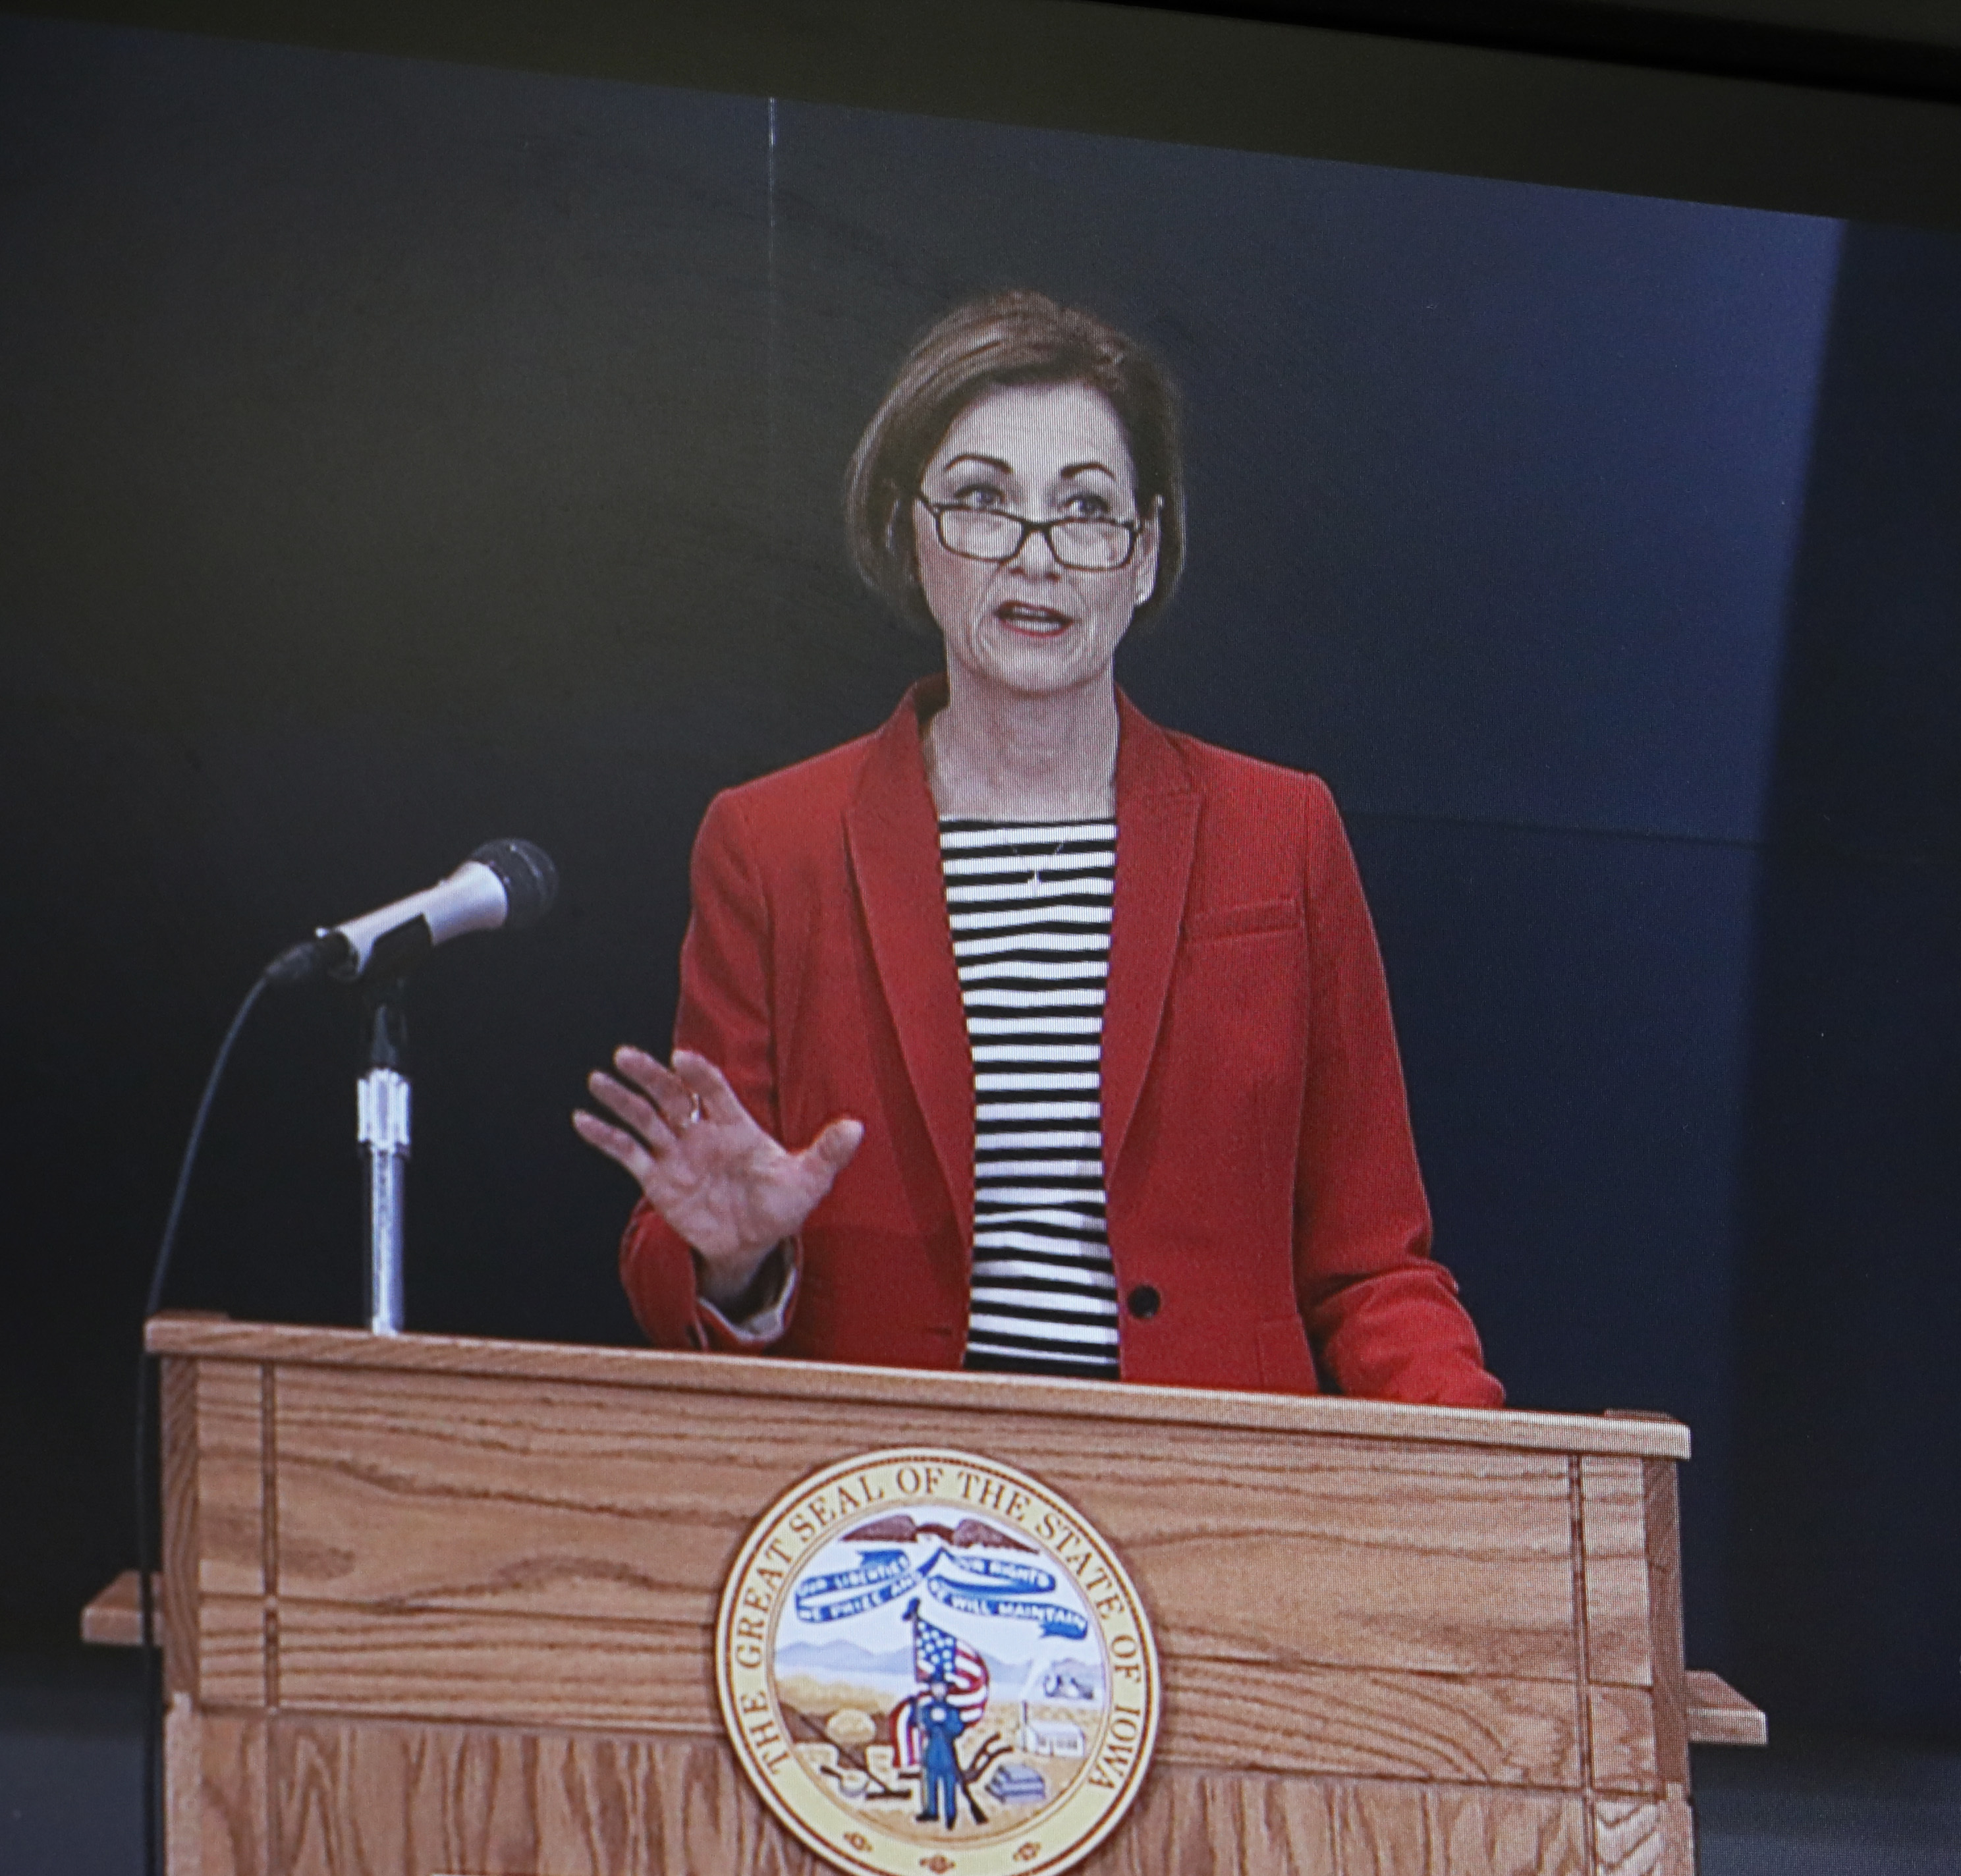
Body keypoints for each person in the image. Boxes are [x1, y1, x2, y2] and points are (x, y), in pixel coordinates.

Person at [576, 290, 1504, 1403]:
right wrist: (734, 1258)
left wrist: (1486, 1492)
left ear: (1146, 552)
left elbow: (1371, 1268)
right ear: (908, 535)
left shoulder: (1282, 833)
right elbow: (685, 1246)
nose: (1036, 556)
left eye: (1086, 509)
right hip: (895, 1502)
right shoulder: (771, 844)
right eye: (980, 501)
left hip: (1209, 1493)